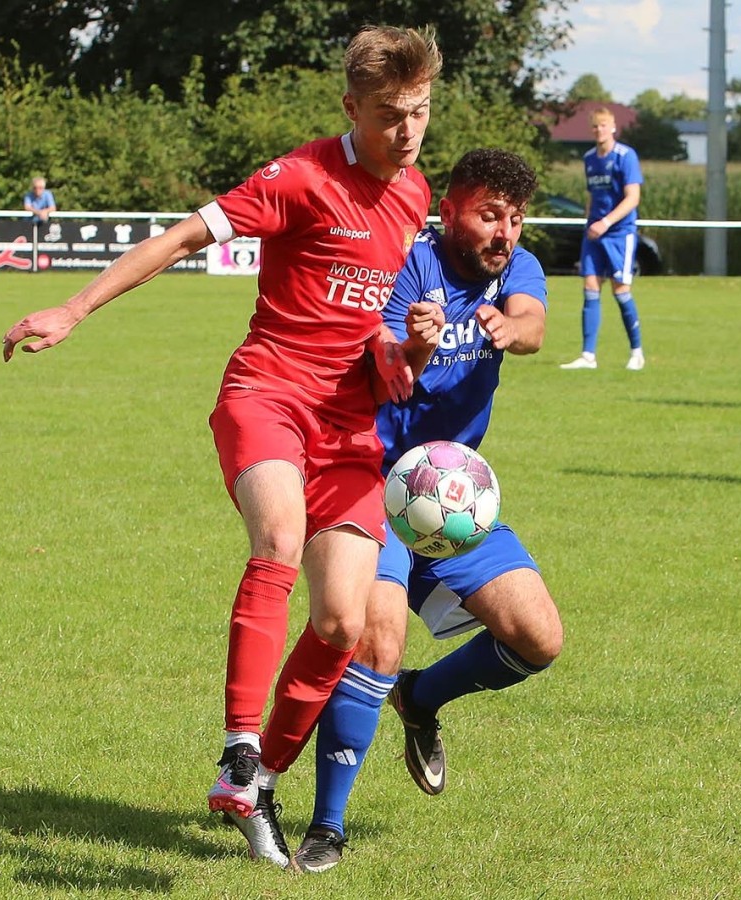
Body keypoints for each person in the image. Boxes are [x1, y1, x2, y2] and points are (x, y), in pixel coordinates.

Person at [1, 26, 444, 869]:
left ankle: (261, 780)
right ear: (352, 108)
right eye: (390, 114)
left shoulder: (414, 196)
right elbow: (176, 241)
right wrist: (73, 309)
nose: (408, 130)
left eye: (419, 113)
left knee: (343, 619)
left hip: (349, 427)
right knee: (277, 537)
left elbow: (381, 356)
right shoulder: (301, 177)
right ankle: (241, 744)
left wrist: (412, 345)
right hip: (267, 396)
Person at [294, 149, 563, 873]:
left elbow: (533, 322)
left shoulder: (518, 271)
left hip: (451, 499)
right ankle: (327, 825)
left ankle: (421, 699)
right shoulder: (408, 266)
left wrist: (512, 329)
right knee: (377, 640)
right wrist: (415, 343)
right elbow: (384, 369)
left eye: (513, 218)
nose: (503, 231)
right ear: (450, 211)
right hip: (373, 484)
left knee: (538, 638)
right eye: (487, 215)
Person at [560, 106, 645, 372]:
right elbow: (591, 197)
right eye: (595, 126)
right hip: (594, 233)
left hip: (619, 233)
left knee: (620, 290)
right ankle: (588, 355)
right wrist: (590, 223)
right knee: (590, 287)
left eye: (604, 125)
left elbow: (633, 197)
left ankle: (637, 352)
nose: (599, 130)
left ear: (614, 127)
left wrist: (607, 222)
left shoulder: (625, 156)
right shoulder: (589, 158)